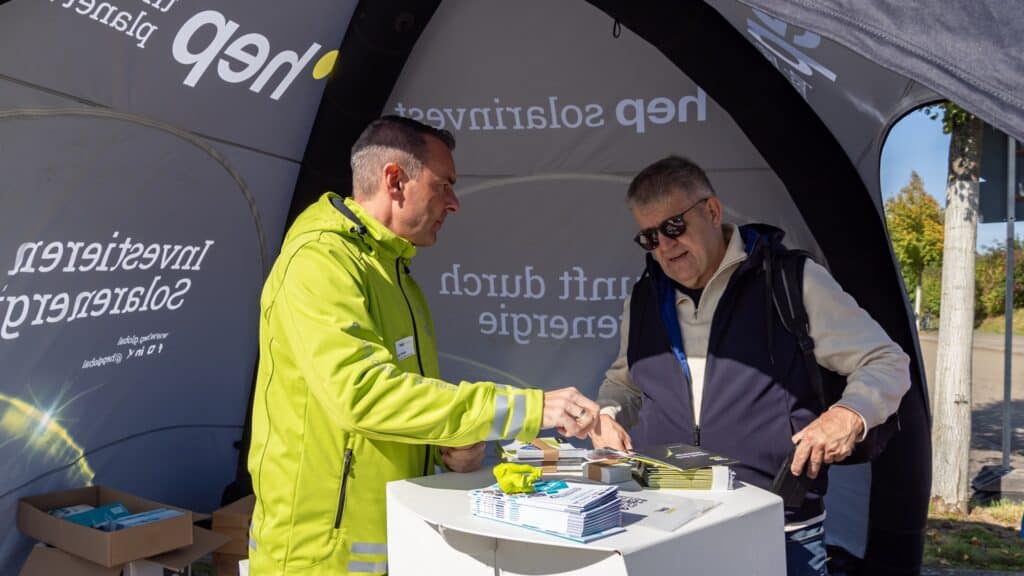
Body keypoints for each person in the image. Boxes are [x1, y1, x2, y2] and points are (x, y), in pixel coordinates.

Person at [247, 116, 600, 575]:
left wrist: (450, 446)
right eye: (444, 185)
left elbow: (401, 409)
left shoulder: (393, 272)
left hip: (387, 541)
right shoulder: (320, 261)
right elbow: (364, 395)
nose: (453, 204)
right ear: (395, 180)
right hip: (320, 558)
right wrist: (532, 409)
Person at [590, 156, 911, 576]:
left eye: (673, 227)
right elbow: (625, 385)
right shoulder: (644, 297)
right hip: (662, 517)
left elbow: (885, 360)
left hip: (778, 523)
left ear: (712, 211)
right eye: (650, 237)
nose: (665, 247)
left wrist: (849, 415)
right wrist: (607, 415)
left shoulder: (792, 279)